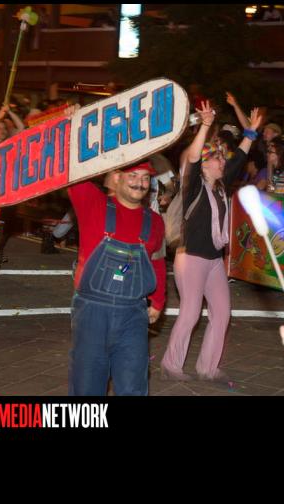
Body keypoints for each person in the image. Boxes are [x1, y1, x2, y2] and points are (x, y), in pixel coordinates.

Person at [160, 102, 264, 382]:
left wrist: (251, 132)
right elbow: (193, 156)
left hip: (214, 259)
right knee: (191, 313)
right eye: (217, 158)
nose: (223, 161)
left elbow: (239, 157)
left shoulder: (220, 186)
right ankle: (171, 365)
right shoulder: (193, 185)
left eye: (222, 158)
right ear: (205, 165)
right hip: (192, 257)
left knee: (222, 313)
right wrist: (205, 125)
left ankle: (208, 368)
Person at [67, 159, 166, 396]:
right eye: (133, 175)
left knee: (133, 386)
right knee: (86, 386)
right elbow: (71, 164)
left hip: (133, 313)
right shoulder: (92, 202)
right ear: (116, 177)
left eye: (145, 178)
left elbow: (157, 261)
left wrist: (158, 300)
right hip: (92, 311)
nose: (140, 183)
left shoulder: (155, 221)